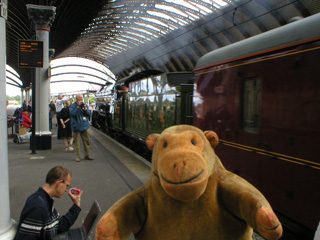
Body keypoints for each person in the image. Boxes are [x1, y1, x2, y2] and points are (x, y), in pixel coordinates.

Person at [14, 166, 82, 240]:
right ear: (59, 183)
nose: (66, 190)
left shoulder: (46, 200)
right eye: (67, 186)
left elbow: (59, 226)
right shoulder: (38, 207)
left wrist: (76, 205)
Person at [69, 94, 93, 162]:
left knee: (87, 141)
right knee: (77, 142)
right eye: (80, 98)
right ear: (76, 98)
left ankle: (87, 155)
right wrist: (78, 107)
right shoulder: (73, 106)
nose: (81, 99)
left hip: (84, 125)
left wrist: (85, 109)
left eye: (82, 98)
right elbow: (72, 114)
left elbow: (88, 114)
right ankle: (78, 156)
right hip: (76, 126)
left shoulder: (84, 105)